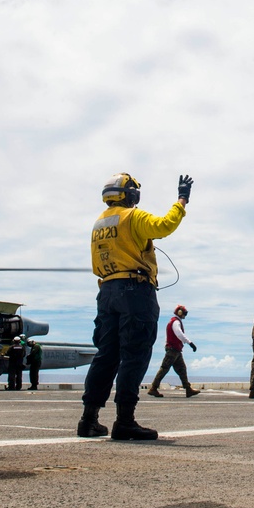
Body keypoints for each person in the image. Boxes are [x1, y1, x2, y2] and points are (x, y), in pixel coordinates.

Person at [77, 172, 192, 441]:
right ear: (131, 195)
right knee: (135, 354)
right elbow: (164, 226)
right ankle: (125, 421)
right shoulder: (133, 216)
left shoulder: (99, 223)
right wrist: (182, 200)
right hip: (135, 291)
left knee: (106, 355)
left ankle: (88, 419)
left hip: (106, 292)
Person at [147, 305, 200, 398]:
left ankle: (188, 389)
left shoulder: (175, 321)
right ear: (180, 312)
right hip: (173, 350)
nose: (185, 315)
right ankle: (153, 388)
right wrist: (190, 343)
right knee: (164, 368)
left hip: (176, 350)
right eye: (184, 313)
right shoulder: (176, 322)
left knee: (182, 369)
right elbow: (179, 334)